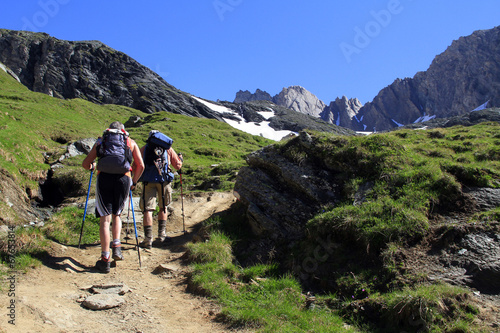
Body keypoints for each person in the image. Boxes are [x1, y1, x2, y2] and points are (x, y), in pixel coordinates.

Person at [82, 121, 144, 273]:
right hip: (124, 179)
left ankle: (105, 259)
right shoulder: (130, 142)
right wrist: (134, 182)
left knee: (105, 218)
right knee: (117, 214)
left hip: (104, 178)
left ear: (109, 130)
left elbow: (85, 164)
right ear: (123, 130)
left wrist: (92, 167)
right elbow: (140, 166)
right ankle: (116, 247)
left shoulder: (101, 141)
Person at [139, 130, 183, 249]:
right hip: (164, 181)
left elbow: (137, 165)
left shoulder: (145, 148)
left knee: (148, 209)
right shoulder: (167, 148)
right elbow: (177, 165)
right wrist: (180, 159)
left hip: (148, 181)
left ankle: (148, 239)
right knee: (163, 207)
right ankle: (161, 235)